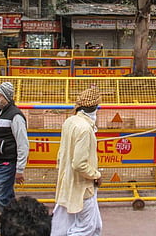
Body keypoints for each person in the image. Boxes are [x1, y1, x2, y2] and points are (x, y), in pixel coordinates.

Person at [51, 87, 103, 236]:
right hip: (82, 188)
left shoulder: (70, 121)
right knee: (85, 229)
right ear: (95, 108)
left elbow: (62, 154)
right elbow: (79, 164)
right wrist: (96, 175)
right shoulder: (85, 129)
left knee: (95, 225)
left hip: (67, 183)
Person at [0, 82, 29, 235]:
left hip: (7, 162)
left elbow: (22, 143)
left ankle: (7, 226)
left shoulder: (15, 116)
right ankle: (15, 222)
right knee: (7, 195)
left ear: (6, 97)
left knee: (2, 196)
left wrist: (19, 169)